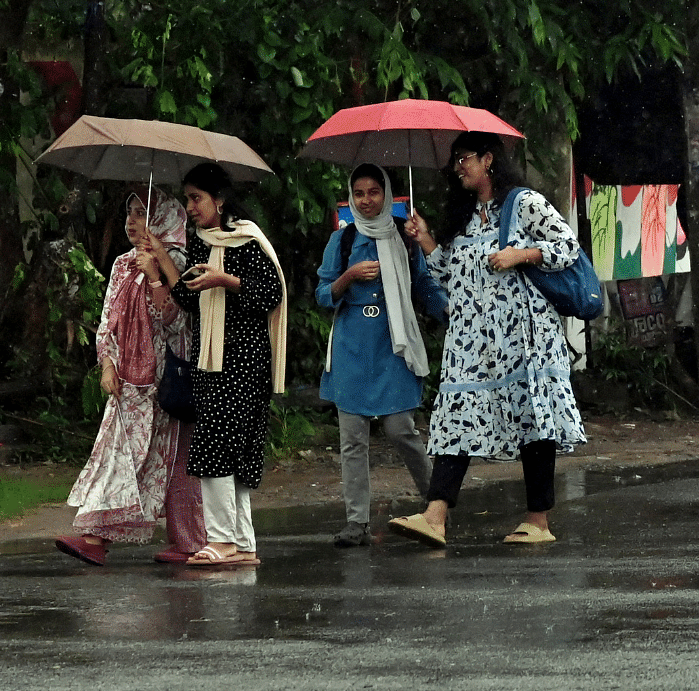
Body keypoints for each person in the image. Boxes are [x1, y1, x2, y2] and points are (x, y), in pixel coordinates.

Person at [391, 131, 586, 546]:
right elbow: (447, 272)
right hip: (472, 339)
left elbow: (567, 246)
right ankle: (435, 515)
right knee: (459, 414)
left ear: (488, 159)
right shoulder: (461, 215)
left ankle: (539, 521)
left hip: (524, 336)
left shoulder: (524, 204)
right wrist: (425, 237)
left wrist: (522, 254)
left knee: (532, 419)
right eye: (455, 160)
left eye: (465, 158)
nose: (458, 166)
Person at [55, 190, 205, 566]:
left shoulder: (180, 262)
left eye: (143, 213)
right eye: (130, 212)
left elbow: (177, 322)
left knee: (169, 462)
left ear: (163, 218)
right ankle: (95, 538)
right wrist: (107, 364)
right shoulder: (123, 263)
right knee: (119, 455)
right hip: (128, 381)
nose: (133, 221)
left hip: (165, 379)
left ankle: (187, 542)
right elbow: (108, 321)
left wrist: (156, 274)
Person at [158, 162, 286, 565]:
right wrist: (163, 265)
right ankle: (242, 543)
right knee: (224, 445)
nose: (191, 207)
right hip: (209, 359)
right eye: (187, 199)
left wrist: (225, 281)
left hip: (244, 358)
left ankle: (221, 540)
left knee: (222, 443)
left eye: (196, 199)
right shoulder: (198, 242)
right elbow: (193, 301)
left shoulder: (246, 239)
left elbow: (272, 292)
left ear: (219, 199)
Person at [316, 165, 449, 547]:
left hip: (395, 346)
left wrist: (448, 311)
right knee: (352, 439)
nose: (367, 200)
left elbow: (423, 284)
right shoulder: (342, 241)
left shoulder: (403, 237)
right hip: (351, 350)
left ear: (387, 194)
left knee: (400, 430)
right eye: (359, 193)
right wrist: (348, 277)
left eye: (375, 192)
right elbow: (322, 295)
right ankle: (356, 523)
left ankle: (436, 506)